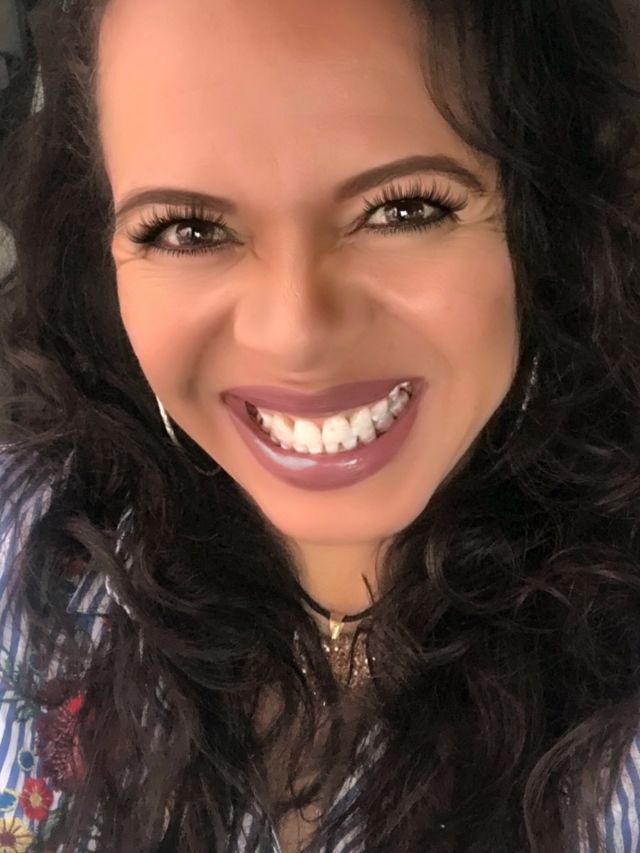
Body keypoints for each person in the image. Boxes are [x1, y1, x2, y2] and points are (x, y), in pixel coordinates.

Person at [1, 0, 640, 850]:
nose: (295, 333)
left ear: (541, 227)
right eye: (188, 229)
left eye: (405, 209)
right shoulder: (27, 542)